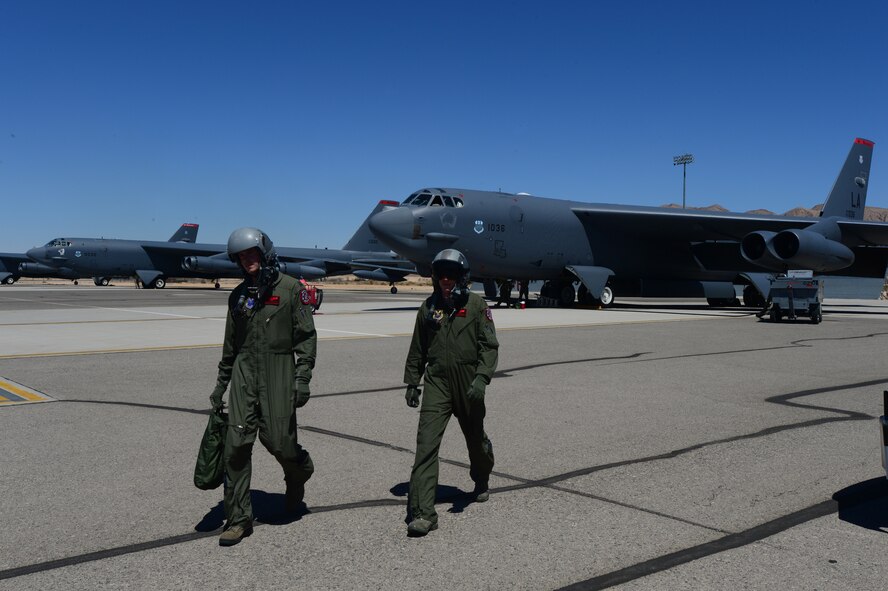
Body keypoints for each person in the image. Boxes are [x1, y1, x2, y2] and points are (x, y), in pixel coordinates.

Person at [210, 227, 317, 546]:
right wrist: (221, 384)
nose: (247, 260)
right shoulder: (238, 296)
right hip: (244, 374)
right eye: (241, 257)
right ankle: (239, 518)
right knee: (236, 447)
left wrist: (302, 377)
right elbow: (230, 345)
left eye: (251, 253)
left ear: (265, 252)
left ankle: (299, 471)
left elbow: (306, 338)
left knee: (280, 442)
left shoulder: (291, 290)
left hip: (278, 371)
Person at [403, 249, 499, 536]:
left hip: (469, 383)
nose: (446, 280)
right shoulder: (429, 307)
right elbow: (417, 347)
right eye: (441, 275)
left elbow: (489, 346)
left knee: (475, 441)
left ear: (461, 277)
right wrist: (412, 381)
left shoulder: (476, 305)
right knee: (425, 446)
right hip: (438, 383)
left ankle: (481, 477)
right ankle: (423, 513)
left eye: (452, 275)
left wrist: (481, 379)